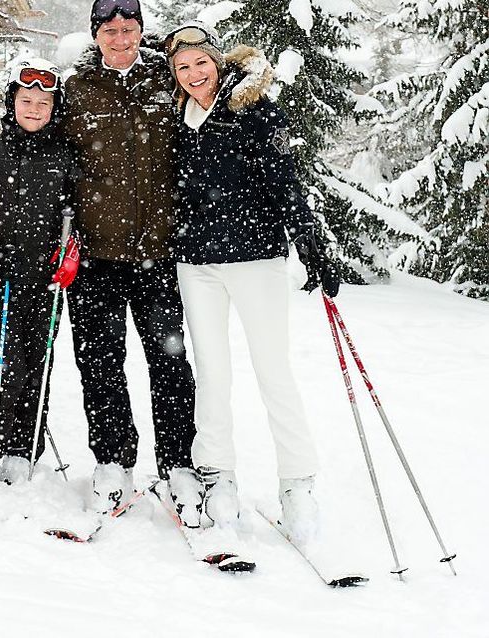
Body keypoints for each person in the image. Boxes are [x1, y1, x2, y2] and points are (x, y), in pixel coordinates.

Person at [165, 21, 341, 543]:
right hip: (196, 265)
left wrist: (308, 237)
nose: (195, 73)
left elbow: (285, 177)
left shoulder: (254, 109)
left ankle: (298, 486)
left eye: (201, 62)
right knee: (213, 375)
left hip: (254, 259)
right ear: (175, 75)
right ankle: (218, 476)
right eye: (183, 67)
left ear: (217, 61)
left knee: (273, 371)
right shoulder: (178, 119)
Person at [62, 0, 201, 517]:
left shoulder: (168, 80)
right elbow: (49, 152)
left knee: (169, 363)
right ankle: (113, 460)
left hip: (158, 253)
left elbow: (219, 88)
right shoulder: (75, 89)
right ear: (95, 34)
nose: (120, 38)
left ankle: (177, 464)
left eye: (129, 29)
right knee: (99, 364)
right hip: (97, 255)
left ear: (141, 31)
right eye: (110, 30)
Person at [0, 59, 81, 484]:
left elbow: (80, 212)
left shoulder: (65, 155)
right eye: (27, 100)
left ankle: (24, 447)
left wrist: (71, 252)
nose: (35, 108)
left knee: (37, 361)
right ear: (12, 102)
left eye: (44, 102)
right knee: (4, 361)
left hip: (45, 277)